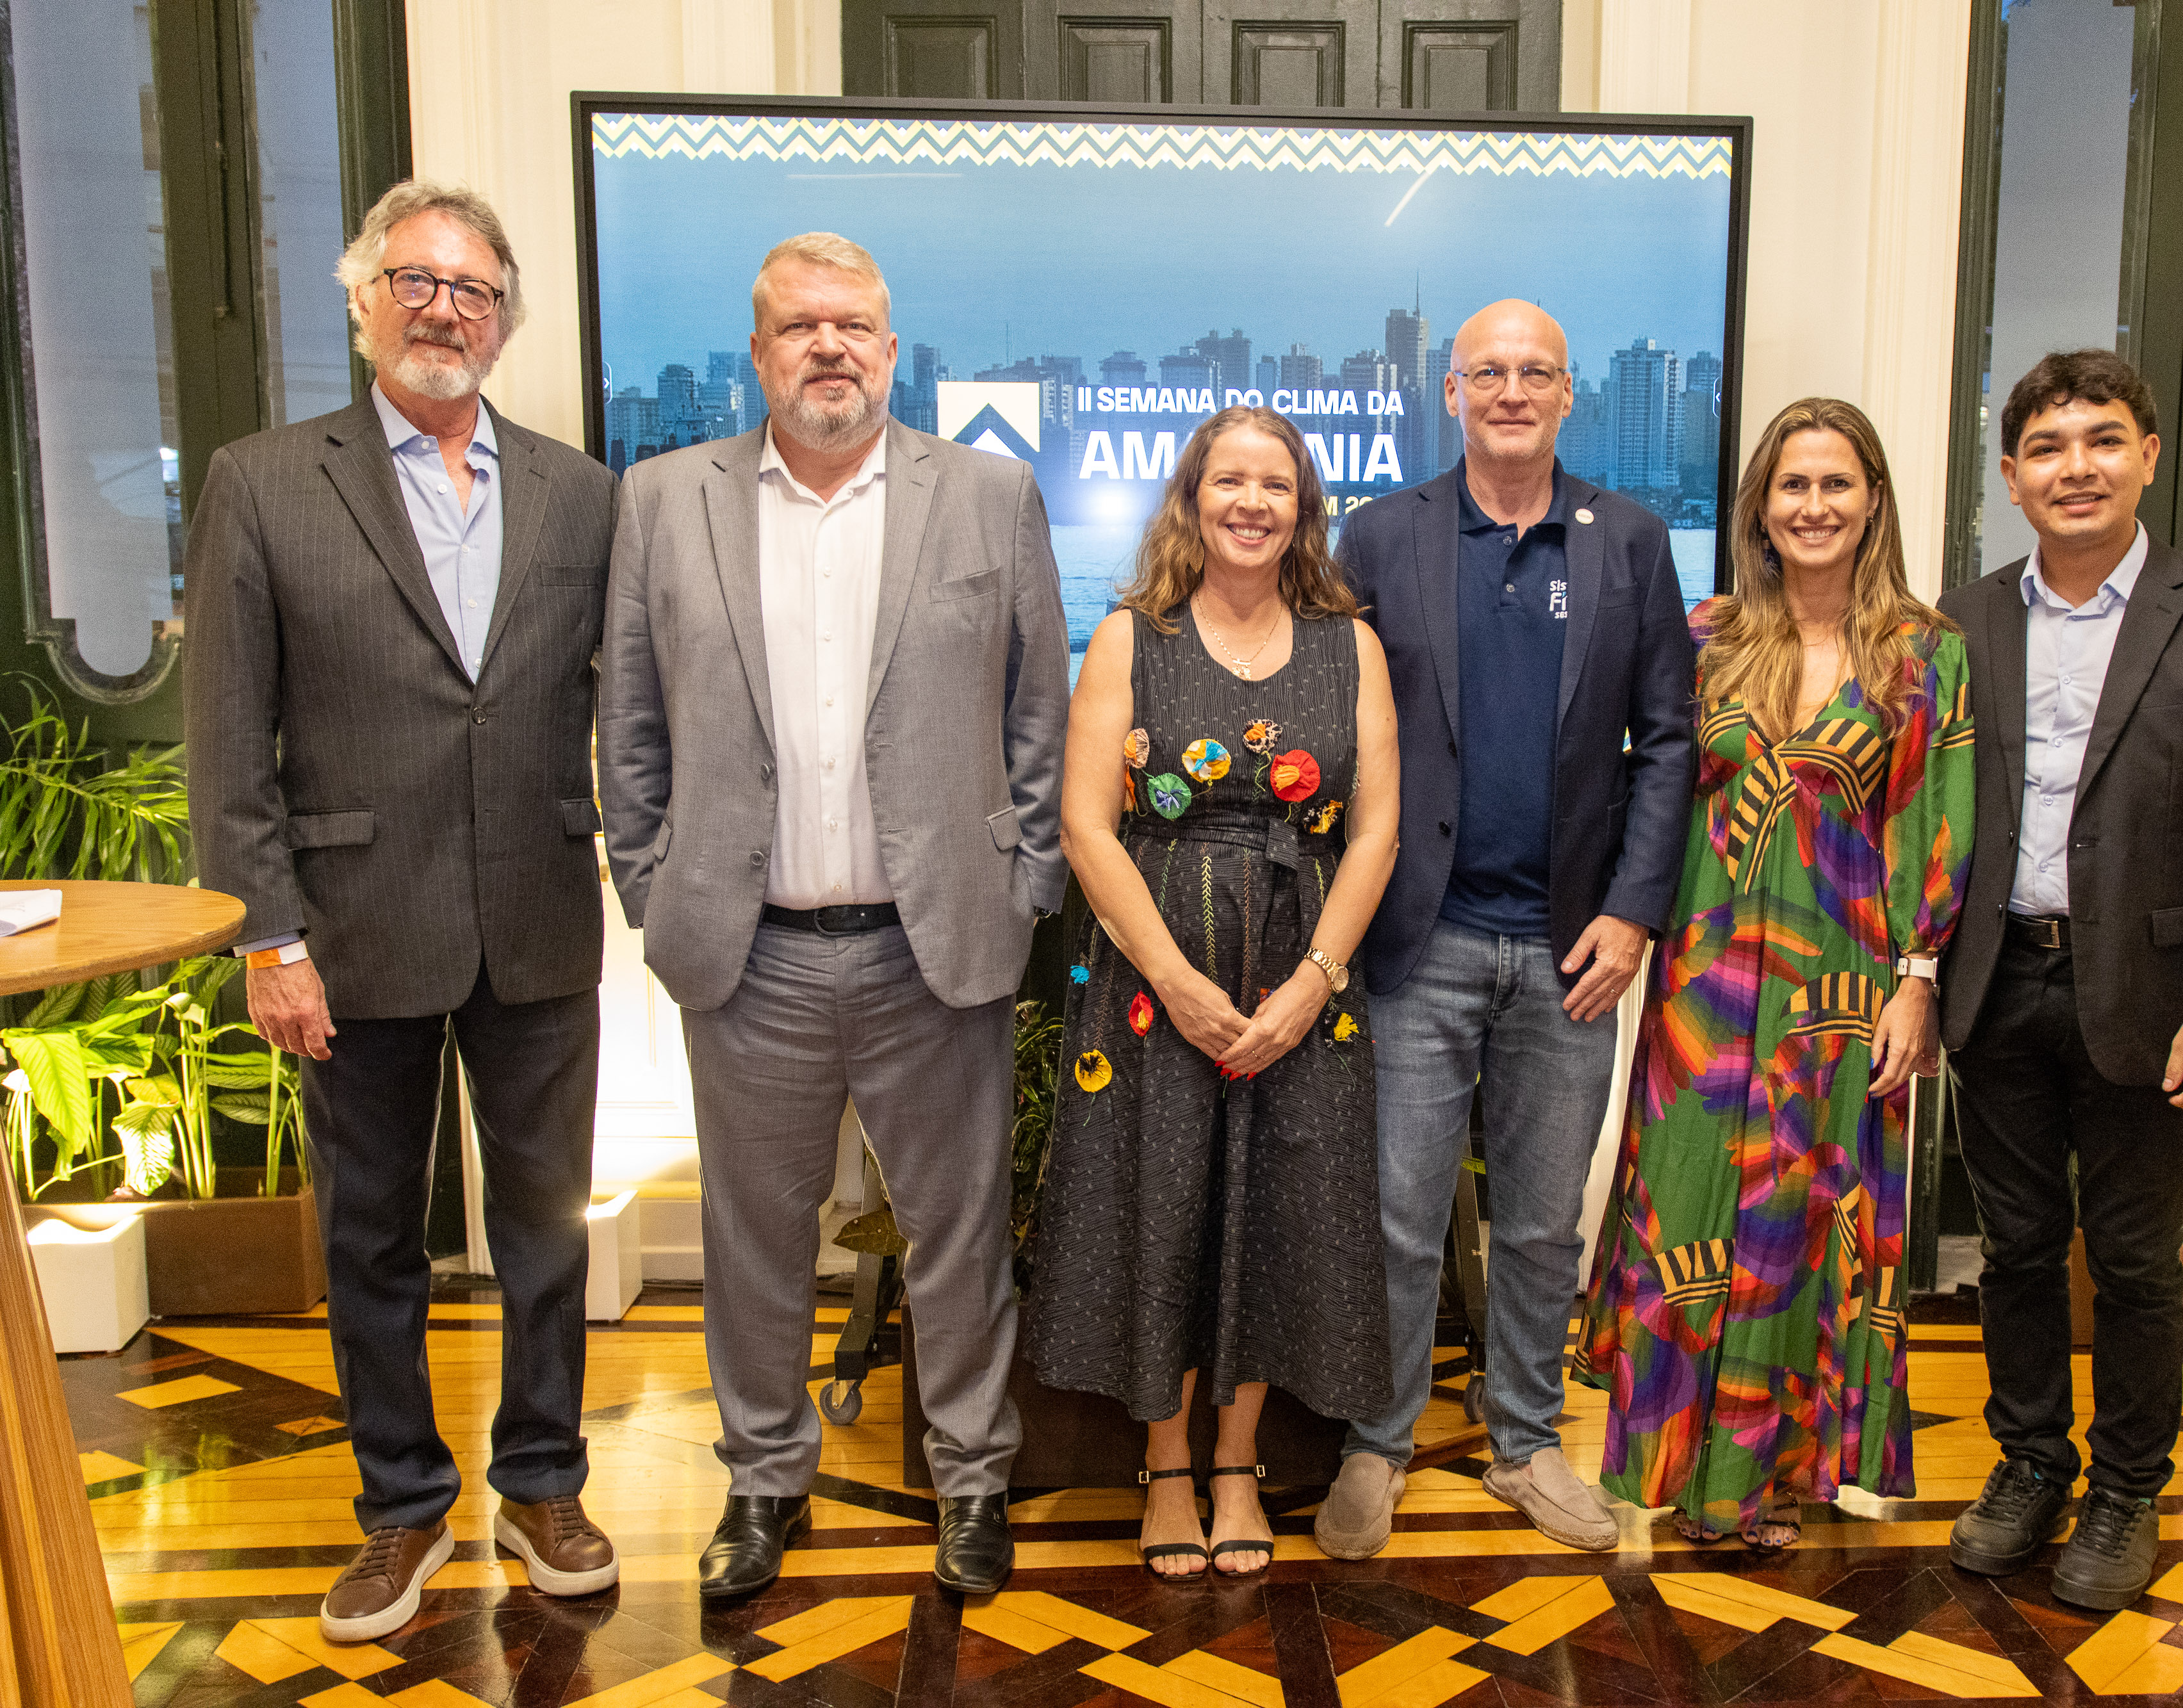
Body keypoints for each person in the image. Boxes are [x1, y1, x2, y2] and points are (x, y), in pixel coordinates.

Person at [598, 233, 1070, 1599]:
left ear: (890, 345)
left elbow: (1037, 708)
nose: (830, 347)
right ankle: (763, 1479)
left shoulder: (985, 494)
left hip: (938, 947)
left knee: (959, 1230)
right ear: (757, 352)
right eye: (800, 325)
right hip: (749, 955)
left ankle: (972, 1475)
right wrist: (650, 877)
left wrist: (1026, 872)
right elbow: (627, 723)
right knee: (754, 1239)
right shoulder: (663, 500)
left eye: (854, 325)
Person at [185, 181, 619, 1643]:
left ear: (504, 317)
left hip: (543, 917)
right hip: (349, 930)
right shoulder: (262, 479)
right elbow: (228, 733)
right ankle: (401, 1510)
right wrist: (268, 933)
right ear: (361, 295)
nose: (445, 308)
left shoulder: (579, 490)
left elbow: (612, 704)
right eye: (416, 281)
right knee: (371, 1234)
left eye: (473, 289)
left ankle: (543, 1480)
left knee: (547, 1224)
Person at [1938, 349, 2183, 1609]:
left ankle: (2124, 1487)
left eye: (2100, 440)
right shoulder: (1967, 617)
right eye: (2045, 448)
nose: (2073, 467)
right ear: (2009, 476)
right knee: (2016, 1248)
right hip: (1995, 983)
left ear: (2147, 455)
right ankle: (2028, 1461)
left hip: (2155, 997)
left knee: (2140, 1260)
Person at [1318, 300, 1694, 1558]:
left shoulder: (1629, 542)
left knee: (1540, 1220)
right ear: (1450, 388)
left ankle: (1524, 1443)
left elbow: (1669, 742)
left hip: (1568, 949)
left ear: (1569, 392)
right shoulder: (1381, 534)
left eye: (1537, 369)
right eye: (1490, 370)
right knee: (1394, 1213)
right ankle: (1377, 1444)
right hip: (1414, 942)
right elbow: (1340, 729)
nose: (1513, 389)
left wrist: (1634, 912)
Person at [1575, 398, 1974, 1550]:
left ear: (1874, 501)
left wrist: (1919, 979)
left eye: (1836, 485)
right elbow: (1647, 795)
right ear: (1760, 506)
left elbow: (1938, 824)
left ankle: (1762, 1484)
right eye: (1792, 487)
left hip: (1842, 993)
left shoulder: (1924, 653)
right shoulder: (1703, 640)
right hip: (1703, 984)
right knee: (1691, 1212)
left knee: (1805, 1220)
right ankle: (1673, 1472)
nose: (1814, 507)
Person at [1027, 407, 1400, 1579]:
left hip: (1306, 985)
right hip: (1154, 987)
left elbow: (1377, 829)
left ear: (1303, 508)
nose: (1251, 503)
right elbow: (1088, 824)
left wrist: (1313, 984)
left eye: (1274, 485)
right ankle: (1169, 1467)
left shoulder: (1352, 646)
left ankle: (1239, 1465)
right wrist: (1178, 982)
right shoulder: (1133, 638)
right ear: (1191, 498)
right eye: (1227, 481)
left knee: (1277, 1215)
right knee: (1164, 1207)